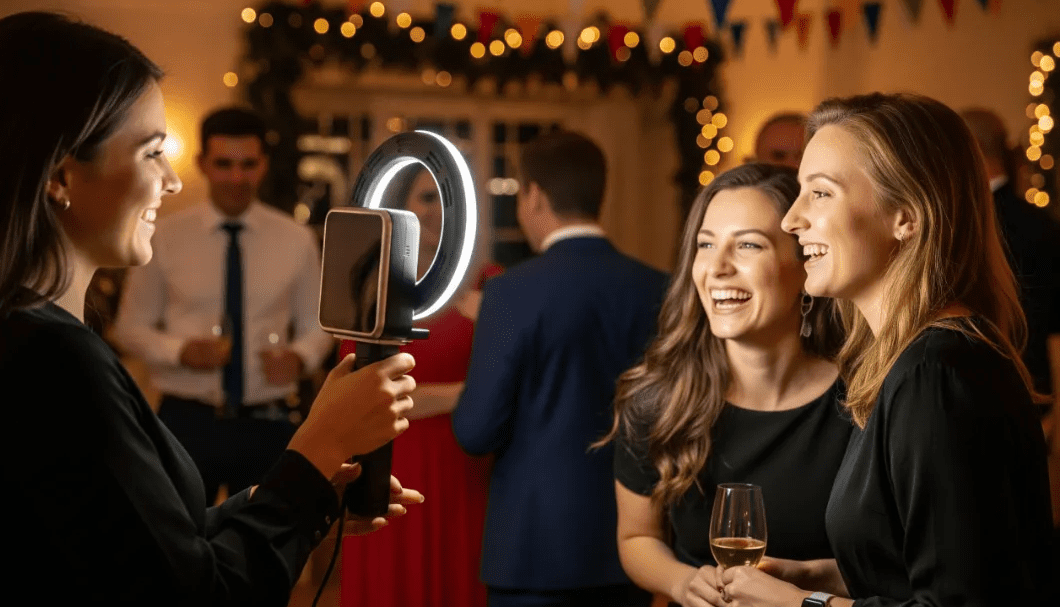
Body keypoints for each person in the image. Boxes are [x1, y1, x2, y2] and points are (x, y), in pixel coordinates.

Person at [0, 12, 420, 604]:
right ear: (61, 175)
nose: (171, 180)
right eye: (151, 152)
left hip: (264, 417)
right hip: (195, 413)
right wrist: (321, 445)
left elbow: (148, 544)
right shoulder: (54, 359)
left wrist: (307, 493)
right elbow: (196, 593)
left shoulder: (24, 334)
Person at [699, 93, 1054, 606]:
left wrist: (796, 604)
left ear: (905, 216)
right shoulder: (920, 360)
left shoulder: (936, 372)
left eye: (821, 193)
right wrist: (819, 576)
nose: (792, 219)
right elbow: (932, 563)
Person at [600, 164, 850, 607]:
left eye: (749, 244)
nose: (717, 268)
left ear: (806, 265)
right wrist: (682, 582)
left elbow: (896, 566)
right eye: (706, 244)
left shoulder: (864, 402)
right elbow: (637, 537)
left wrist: (804, 590)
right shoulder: (658, 399)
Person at [452, 130, 668, 607]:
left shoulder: (509, 293)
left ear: (534, 195)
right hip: (632, 546)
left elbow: (475, 430)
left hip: (532, 550)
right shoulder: (658, 288)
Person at [114, 107, 335, 503]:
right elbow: (128, 328)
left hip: (268, 419)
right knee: (178, 531)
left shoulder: (295, 238)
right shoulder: (163, 236)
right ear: (202, 164)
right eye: (224, 164)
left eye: (248, 165)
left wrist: (300, 357)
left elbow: (317, 325)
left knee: (264, 533)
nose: (236, 178)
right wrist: (179, 351)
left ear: (263, 164)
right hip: (185, 420)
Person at [338, 164, 502, 607]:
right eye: (428, 197)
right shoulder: (373, 287)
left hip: (465, 467)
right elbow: (361, 391)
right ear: (401, 205)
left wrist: (491, 321)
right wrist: (466, 393)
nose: (439, 211)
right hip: (390, 462)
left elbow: (521, 380)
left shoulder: (491, 284)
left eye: (450, 199)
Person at [961, 108, 1060, 411]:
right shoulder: (1042, 222)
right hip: (1033, 384)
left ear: (971, 151)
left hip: (978, 387)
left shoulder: (967, 222)